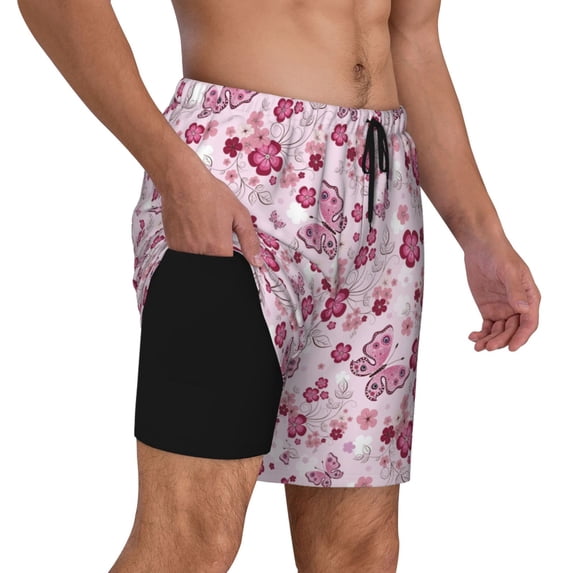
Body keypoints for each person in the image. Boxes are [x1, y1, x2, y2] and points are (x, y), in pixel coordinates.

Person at [18, 0, 540, 571]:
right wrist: (175, 173)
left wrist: (482, 235)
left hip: (382, 201)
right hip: (236, 182)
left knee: (359, 551)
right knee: (191, 540)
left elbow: (412, 38)